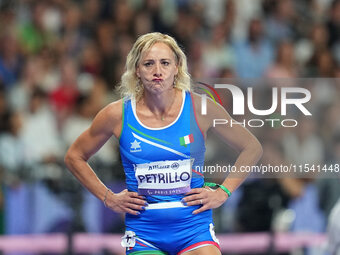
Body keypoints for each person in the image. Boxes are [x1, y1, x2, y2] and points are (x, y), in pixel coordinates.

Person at [65, 32, 262, 255]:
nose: (157, 71)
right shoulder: (116, 114)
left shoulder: (200, 108)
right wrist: (108, 197)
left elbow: (252, 147)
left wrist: (224, 192)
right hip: (144, 234)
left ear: (177, 67)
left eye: (165, 63)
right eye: (149, 64)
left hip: (194, 230)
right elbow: (74, 156)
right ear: (137, 70)